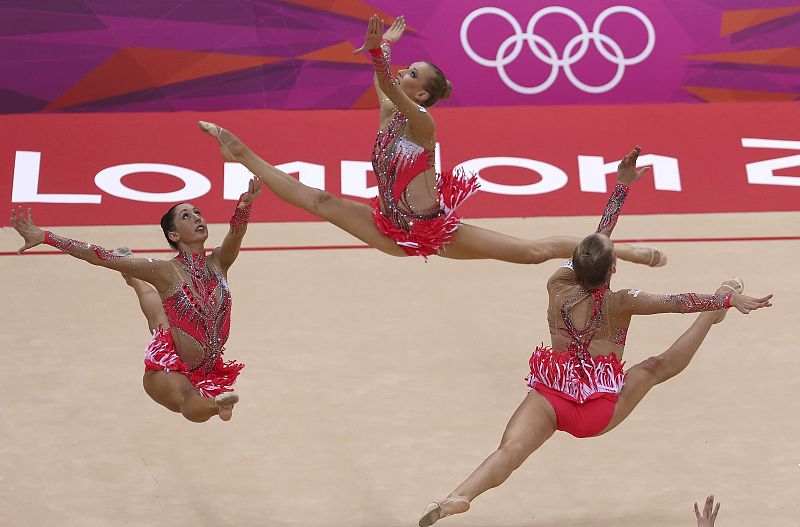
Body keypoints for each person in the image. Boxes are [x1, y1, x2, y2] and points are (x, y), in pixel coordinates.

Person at [416, 150, 772, 526]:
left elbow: (595, 241)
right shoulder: (622, 302)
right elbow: (679, 302)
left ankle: (458, 495)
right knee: (655, 367)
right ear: (614, 268)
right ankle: (712, 318)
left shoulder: (557, 285)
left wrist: (621, 187)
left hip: (551, 395)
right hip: (596, 410)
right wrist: (726, 299)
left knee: (510, 450)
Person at [198, 15, 665, 267]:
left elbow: (387, 80)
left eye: (412, 75)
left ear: (421, 94)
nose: (403, 74)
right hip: (389, 227)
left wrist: (382, 55)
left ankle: (619, 250)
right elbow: (383, 80)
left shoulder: (422, 125)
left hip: (429, 229)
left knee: (532, 253)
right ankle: (239, 152)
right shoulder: (389, 107)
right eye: (405, 69)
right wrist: (382, 55)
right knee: (319, 199)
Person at [10, 178, 264, 423]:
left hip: (204, 364)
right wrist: (46, 236)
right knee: (188, 395)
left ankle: (133, 280)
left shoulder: (219, 262)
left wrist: (244, 206)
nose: (197, 217)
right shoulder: (166, 271)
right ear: (174, 235)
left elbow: (236, 233)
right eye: (186, 216)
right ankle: (217, 404)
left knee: (159, 316)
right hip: (167, 372)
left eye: (197, 212)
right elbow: (100, 256)